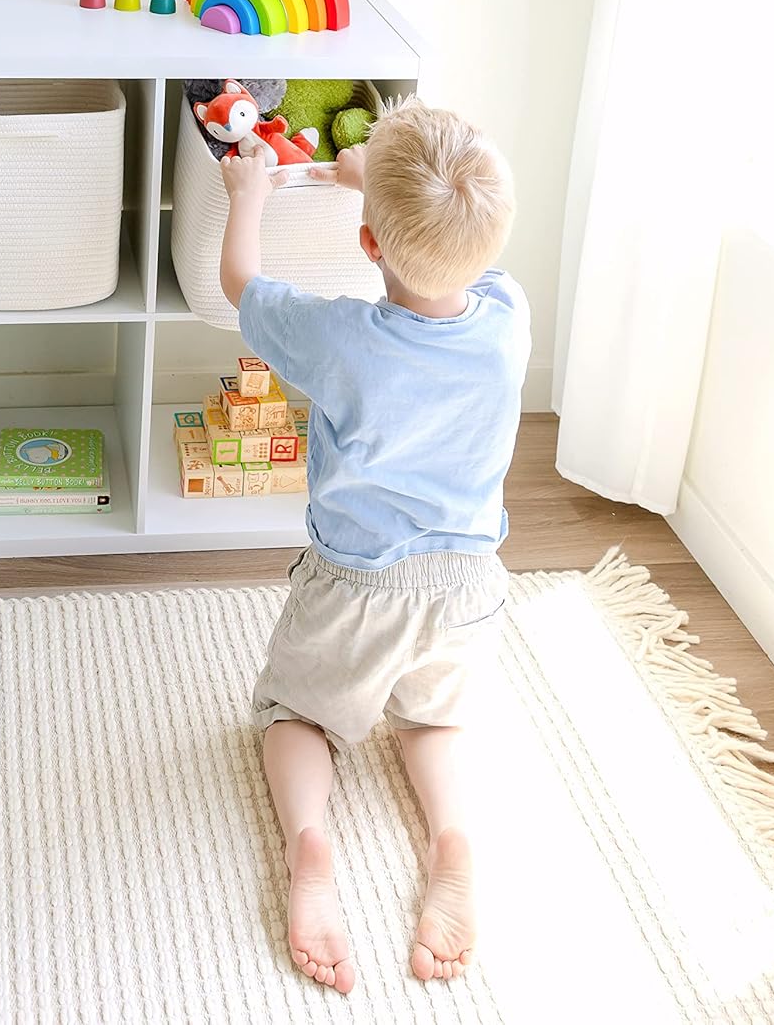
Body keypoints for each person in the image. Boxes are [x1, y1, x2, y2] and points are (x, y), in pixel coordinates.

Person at [218, 99, 530, 993]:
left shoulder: (342, 340)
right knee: (431, 719)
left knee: (294, 715)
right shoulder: (508, 318)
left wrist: (249, 193)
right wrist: (383, 196)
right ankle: (450, 839)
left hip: (355, 586)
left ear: (367, 246)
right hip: (469, 587)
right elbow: (457, 258)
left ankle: (310, 845)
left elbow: (241, 283)